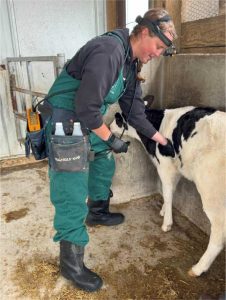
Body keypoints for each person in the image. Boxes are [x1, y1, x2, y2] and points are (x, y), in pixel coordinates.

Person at [41, 7, 177, 292]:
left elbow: (133, 109)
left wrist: (158, 138)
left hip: (83, 123)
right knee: (71, 190)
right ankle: (71, 264)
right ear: (143, 32)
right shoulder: (109, 52)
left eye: (163, 50)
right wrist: (111, 138)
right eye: (158, 46)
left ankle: (98, 210)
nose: (157, 53)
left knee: (102, 157)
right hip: (66, 124)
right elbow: (88, 109)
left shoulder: (129, 62)